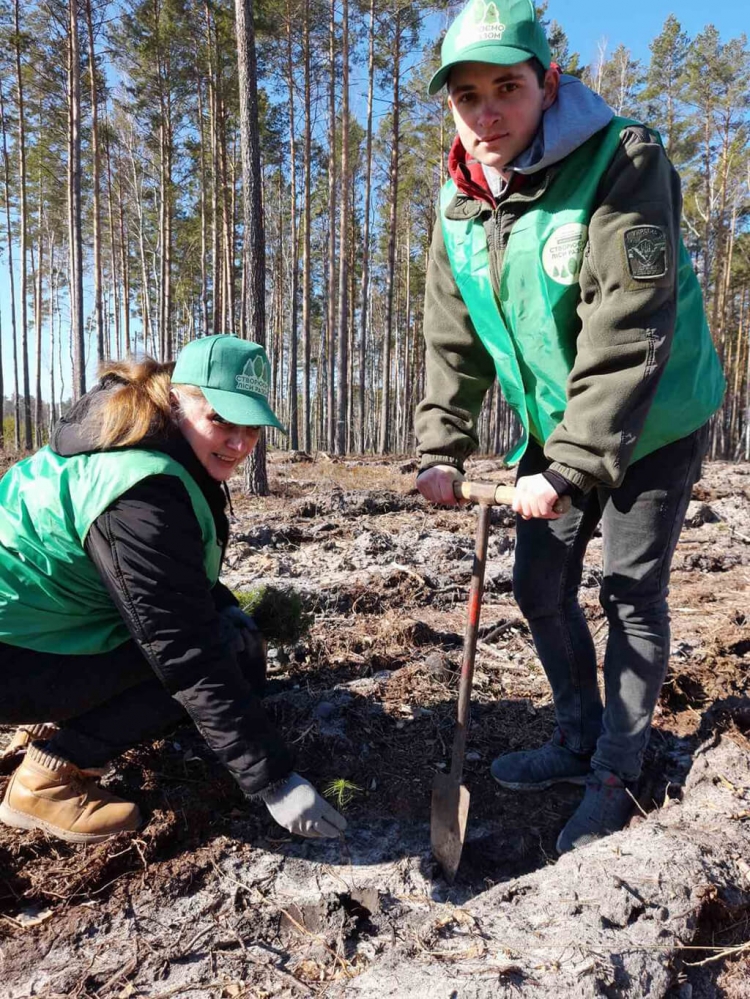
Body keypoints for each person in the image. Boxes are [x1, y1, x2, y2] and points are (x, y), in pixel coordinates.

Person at [415, 0, 725, 853]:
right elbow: (454, 334)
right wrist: (441, 444)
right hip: (561, 415)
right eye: (467, 94)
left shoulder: (624, 159)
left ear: (548, 85)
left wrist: (573, 466)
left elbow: (629, 324)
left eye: (506, 88)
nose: (487, 112)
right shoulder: (458, 200)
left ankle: (620, 772)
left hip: (654, 412)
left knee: (630, 593)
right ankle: (578, 734)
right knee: (538, 587)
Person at [0, 334, 347, 844]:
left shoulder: (138, 437)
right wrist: (273, 781)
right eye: (221, 420)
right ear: (177, 398)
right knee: (217, 654)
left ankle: (64, 712)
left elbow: (173, 580)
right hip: (12, 654)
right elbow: (183, 651)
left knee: (234, 639)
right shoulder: (138, 491)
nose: (240, 442)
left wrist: (229, 614)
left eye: (251, 426)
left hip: (29, 630)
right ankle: (47, 780)